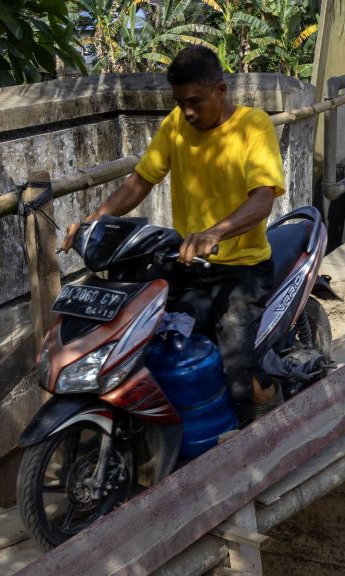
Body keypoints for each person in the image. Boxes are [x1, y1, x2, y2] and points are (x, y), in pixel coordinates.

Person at [62, 46, 285, 419]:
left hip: (242, 268)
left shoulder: (253, 126)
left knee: (237, 374)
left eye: (195, 101)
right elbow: (140, 182)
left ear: (221, 89)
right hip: (188, 263)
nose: (188, 112)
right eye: (180, 102)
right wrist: (93, 220)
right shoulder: (176, 126)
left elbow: (263, 199)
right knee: (140, 334)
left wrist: (215, 232)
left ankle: (269, 417)